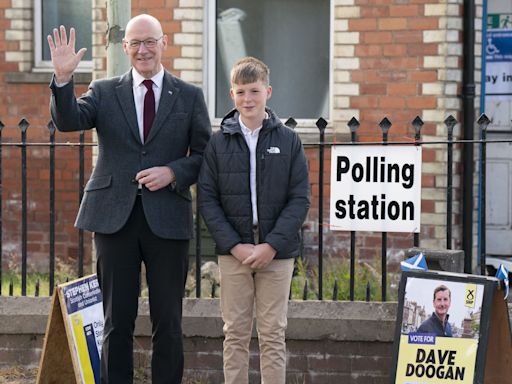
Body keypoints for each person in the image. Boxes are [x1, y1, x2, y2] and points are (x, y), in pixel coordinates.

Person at [47, 14, 211, 383]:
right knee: (115, 321)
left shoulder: (189, 96)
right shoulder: (105, 91)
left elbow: (203, 156)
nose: (143, 50)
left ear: (163, 43)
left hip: (167, 218)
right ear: (125, 48)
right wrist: (62, 79)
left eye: (150, 41)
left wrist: (172, 172)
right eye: (135, 43)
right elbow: (70, 120)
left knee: (167, 321)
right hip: (112, 218)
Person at [198, 57, 310, 384]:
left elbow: (299, 197)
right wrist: (234, 245)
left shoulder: (289, 141)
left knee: (273, 332)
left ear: (268, 92)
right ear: (231, 95)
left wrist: (271, 245)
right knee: (234, 333)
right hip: (234, 254)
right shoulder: (218, 143)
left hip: (277, 254)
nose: (248, 99)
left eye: (255, 91)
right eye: (241, 92)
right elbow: (208, 199)